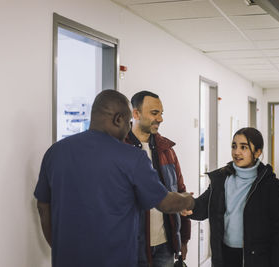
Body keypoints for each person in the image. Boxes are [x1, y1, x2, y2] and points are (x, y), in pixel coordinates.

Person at [34, 90, 195, 267]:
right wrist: (188, 200)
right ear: (118, 119)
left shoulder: (55, 152)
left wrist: (58, 247)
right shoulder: (133, 158)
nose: (128, 128)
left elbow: (43, 206)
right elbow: (164, 203)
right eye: (128, 122)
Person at [186, 127, 279, 267]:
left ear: (258, 152)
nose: (236, 152)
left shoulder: (271, 185)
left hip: (257, 258)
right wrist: (186, 204)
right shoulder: (222, 179)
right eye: (234, 146)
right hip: (225, 255)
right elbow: (202, 207)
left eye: (244, 147)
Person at [125, 91, 191, 267]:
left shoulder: (166, 150)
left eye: (161, 113)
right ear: (136, 114)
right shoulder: (121, 149)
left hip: (165, 246)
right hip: (132, 248)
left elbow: (180, 191)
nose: (160, 119)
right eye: (155, 113)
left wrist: (183, 239)